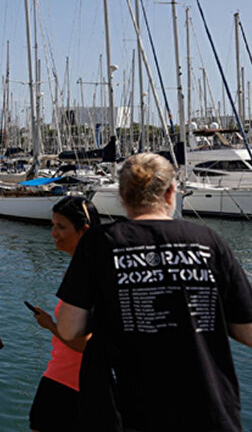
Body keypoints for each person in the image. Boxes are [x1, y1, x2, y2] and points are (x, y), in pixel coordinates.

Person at [57, 153, 252, 430]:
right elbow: (247, 331)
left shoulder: (100, 243)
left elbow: (68, 329)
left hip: (126, 411)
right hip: (207, 409)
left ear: (121, 195)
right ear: (171, 192)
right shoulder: (208, 242)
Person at [28, 196, 100, 432]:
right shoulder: (92, 269)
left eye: (61, 227)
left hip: (67, 379)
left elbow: (84, 344)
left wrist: (50, 325)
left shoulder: (85, 276)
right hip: (82, 381)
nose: (53, 233)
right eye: (53, 225)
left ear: (83, 230)